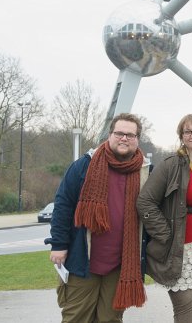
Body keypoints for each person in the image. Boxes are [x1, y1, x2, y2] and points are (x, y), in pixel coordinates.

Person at [46, 113, 149, 323]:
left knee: (110, 319)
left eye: (130, 135)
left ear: (137, 139)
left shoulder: (145, 172)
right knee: (76, 317)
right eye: (119, 133)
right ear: (110, 135)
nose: (124, 138)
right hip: (82, 260)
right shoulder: (84, 166)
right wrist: (59, 244)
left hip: (120, 265)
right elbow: (63, 206)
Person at [137, 113, 192, 323]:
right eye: (187, 131)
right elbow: (145, 201)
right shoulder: (171, 165)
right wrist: (165, 233)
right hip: (180, 249)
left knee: (191, 303)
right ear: (181, 136)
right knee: (185, 309)